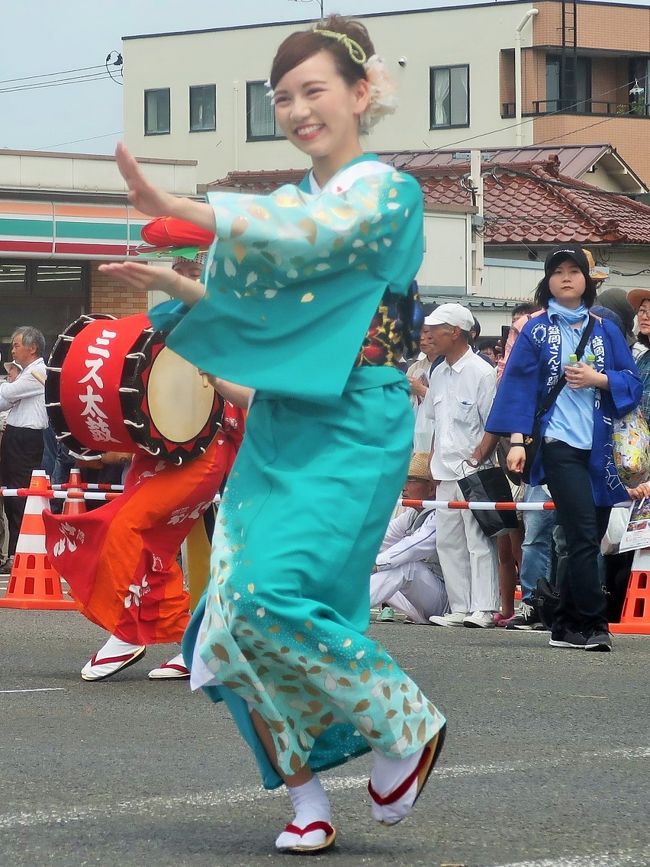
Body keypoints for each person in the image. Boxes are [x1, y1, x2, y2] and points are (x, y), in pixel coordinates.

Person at [98, 15, 446, 856]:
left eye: (313, 90)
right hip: (284, 419)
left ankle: (406, 723)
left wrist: (186, 209)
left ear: (363, 94)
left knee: (272, 597)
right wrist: (180, 284)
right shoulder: (286, 200)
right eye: (282, 97)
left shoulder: (386, 193)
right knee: (227, 624)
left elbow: (312, 241)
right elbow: (256, 297)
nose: (296, 109)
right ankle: (308, 799)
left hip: (356, 417)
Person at [487, 244, 642, 652]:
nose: (567, 277)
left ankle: (564, 623)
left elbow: (632, 382)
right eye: (558, 271)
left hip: (602, 447)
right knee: (582, 532)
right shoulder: (536, 330)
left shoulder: (606, 328)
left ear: (587, 281)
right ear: (548, 282)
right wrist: (517, 442)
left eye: (575, 270)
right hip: (558, 444)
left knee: (582, 537)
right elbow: (517, 387)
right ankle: (593, 624)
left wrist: (598, 379)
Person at [421, 303, 500, 629]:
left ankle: (484, 608)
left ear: (454, 332)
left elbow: (492, 424)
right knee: (448, 541)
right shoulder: (437, 372)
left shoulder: (481, 372)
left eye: (435, 329)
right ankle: (459, 606)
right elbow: (429, 422)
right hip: (443, 470)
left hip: (474, 471)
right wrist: (425, 465)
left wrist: (478, 458)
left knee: (479, 540)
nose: (429, 335)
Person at [370, 452, 448, 624]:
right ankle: (335, 600)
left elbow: (413, 546)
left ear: (431, 488)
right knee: (380, 559)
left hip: (445, 603)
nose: (403, 486)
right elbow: (380, 539)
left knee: (406, 567)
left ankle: (347, 608)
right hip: (424, 599)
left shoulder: (441, 515)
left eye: (411, 480)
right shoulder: (413, 515)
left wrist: (375, 564)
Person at [0, 327, 48, 568]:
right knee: (9, 495)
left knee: (20, 496)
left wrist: (10, 384)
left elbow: (8, 392)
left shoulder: (38, 372)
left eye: (16, 345)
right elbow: (3, 400)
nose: (13, 350)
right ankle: (12, 553)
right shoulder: (25, 373)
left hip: (28, 438)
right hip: (14, 436)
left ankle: (19, 553)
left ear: (32, 347)